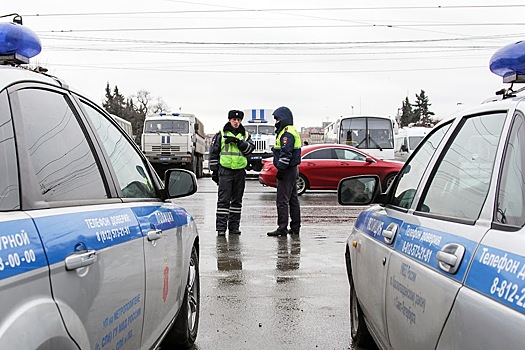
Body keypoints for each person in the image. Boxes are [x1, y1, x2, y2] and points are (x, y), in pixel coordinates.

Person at [209, 110, 255, 236]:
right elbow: (214, 153)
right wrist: (214, 171)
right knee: (223, 201)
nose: (236, 122)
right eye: (234, 120)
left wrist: (238, 142)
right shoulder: (221, 134)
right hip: (225, 170)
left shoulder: (245, 135)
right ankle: (221, 229)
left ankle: (234, 227)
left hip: (240, 171)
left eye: (239, 120)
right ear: (229, 120)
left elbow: (250, 149)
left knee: (237, 201)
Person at [267, 106, 302, 236]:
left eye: (277, 119)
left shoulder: (286, 133)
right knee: (293, 200)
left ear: (283, 119)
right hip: (293, 169)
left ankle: (282, 228)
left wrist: (281, 170)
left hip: (287, 170)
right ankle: (295, 226)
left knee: (282, 200)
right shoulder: (291, 131)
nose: (276, 122)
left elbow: (285, 154)